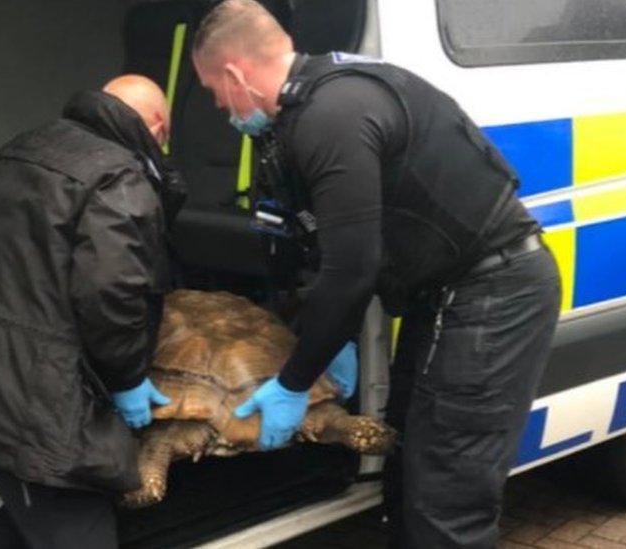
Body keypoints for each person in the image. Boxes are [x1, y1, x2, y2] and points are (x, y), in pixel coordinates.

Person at [191, 2, 562, 547]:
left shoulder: (332, 114)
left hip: (493, 292)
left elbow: (351, 270)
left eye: (212, 90)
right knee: (408, 462)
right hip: (446, 295)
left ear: (234, 74)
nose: (220, 104)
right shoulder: (307, 110)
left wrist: (296, 381)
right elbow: (322, 246)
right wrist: (323, 338)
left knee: (446, 495)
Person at [0, 75, 187, 549]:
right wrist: (127, 377)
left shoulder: (30, 146)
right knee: (80, 530)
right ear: (156, 127)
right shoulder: (119, 175)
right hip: (26, 405)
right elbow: (112, 293)